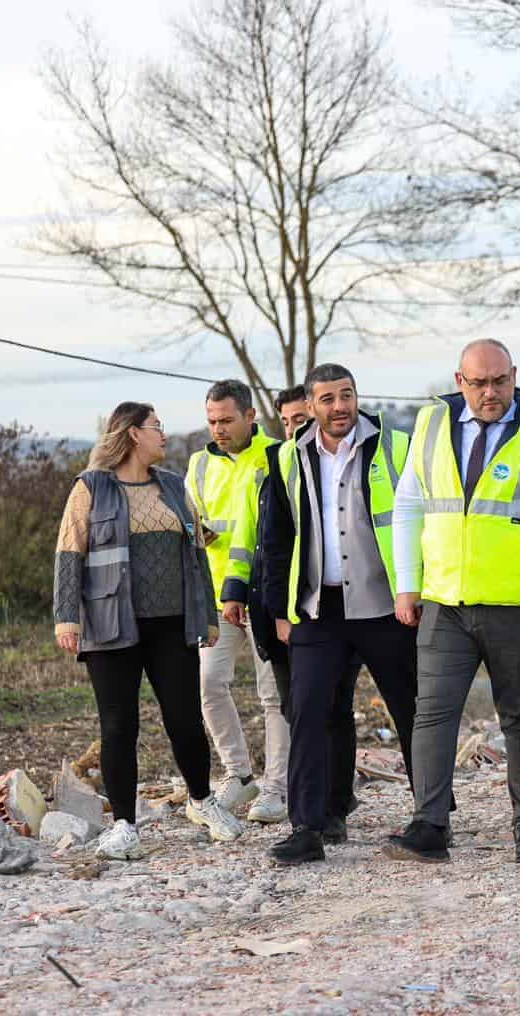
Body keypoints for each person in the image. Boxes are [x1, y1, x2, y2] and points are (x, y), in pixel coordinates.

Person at [387, 338, 520, 864]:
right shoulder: (429, 428)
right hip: (444, 602)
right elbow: (407, 507)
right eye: (479, 383)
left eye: (501, 381)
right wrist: (408, 583)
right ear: (460, 382)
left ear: (515, 376)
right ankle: (430, 825)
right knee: (431, 713)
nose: (491, 392)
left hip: (516, 606)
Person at [54, 402, 244, 858]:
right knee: (119, 725)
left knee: (184, 718)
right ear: (133, 434)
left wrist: (209, 618)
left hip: (171, 625)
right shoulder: (91, 488)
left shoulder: (174, 488)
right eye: (156, 427)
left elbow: (198, 554)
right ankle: (124, 826)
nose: (164, 434)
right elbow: (69, 553)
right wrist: (66, 616)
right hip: (109, 624)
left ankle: (202, 802)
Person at [253, 364, 420, 865]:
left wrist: (415, 590)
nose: (340, 406)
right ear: (310, 406)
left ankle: (432, 813)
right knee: (307, 712)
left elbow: (420, 519)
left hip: (385, 604)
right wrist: (281, 610)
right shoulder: (286, 457)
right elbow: (276, 541)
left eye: (346, 395)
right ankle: (308, 825)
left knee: (411, 709)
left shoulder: (394, 447)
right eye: (328, 399)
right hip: (317, 609)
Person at [223, 385, 371, 838]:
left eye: (299, 420)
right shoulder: (274, 469)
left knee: (333, 707)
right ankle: (310, 807)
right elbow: (256, 540)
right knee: (296, 707)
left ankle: (333, 807)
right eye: (286, 421)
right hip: (278, 612)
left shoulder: (329, 468)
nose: (293, 428)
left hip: (330, 610)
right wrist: (240, 594)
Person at [186, 380, 284, 820]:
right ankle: (240, 776)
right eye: (211, 421)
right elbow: (190, 519)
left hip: (263, 593)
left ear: (250, 416)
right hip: (215, 595)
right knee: (208, 684)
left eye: (226, 420)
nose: (218, 429)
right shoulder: (198, 465)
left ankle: (278, 788)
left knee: (274, 694)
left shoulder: (277, 456)